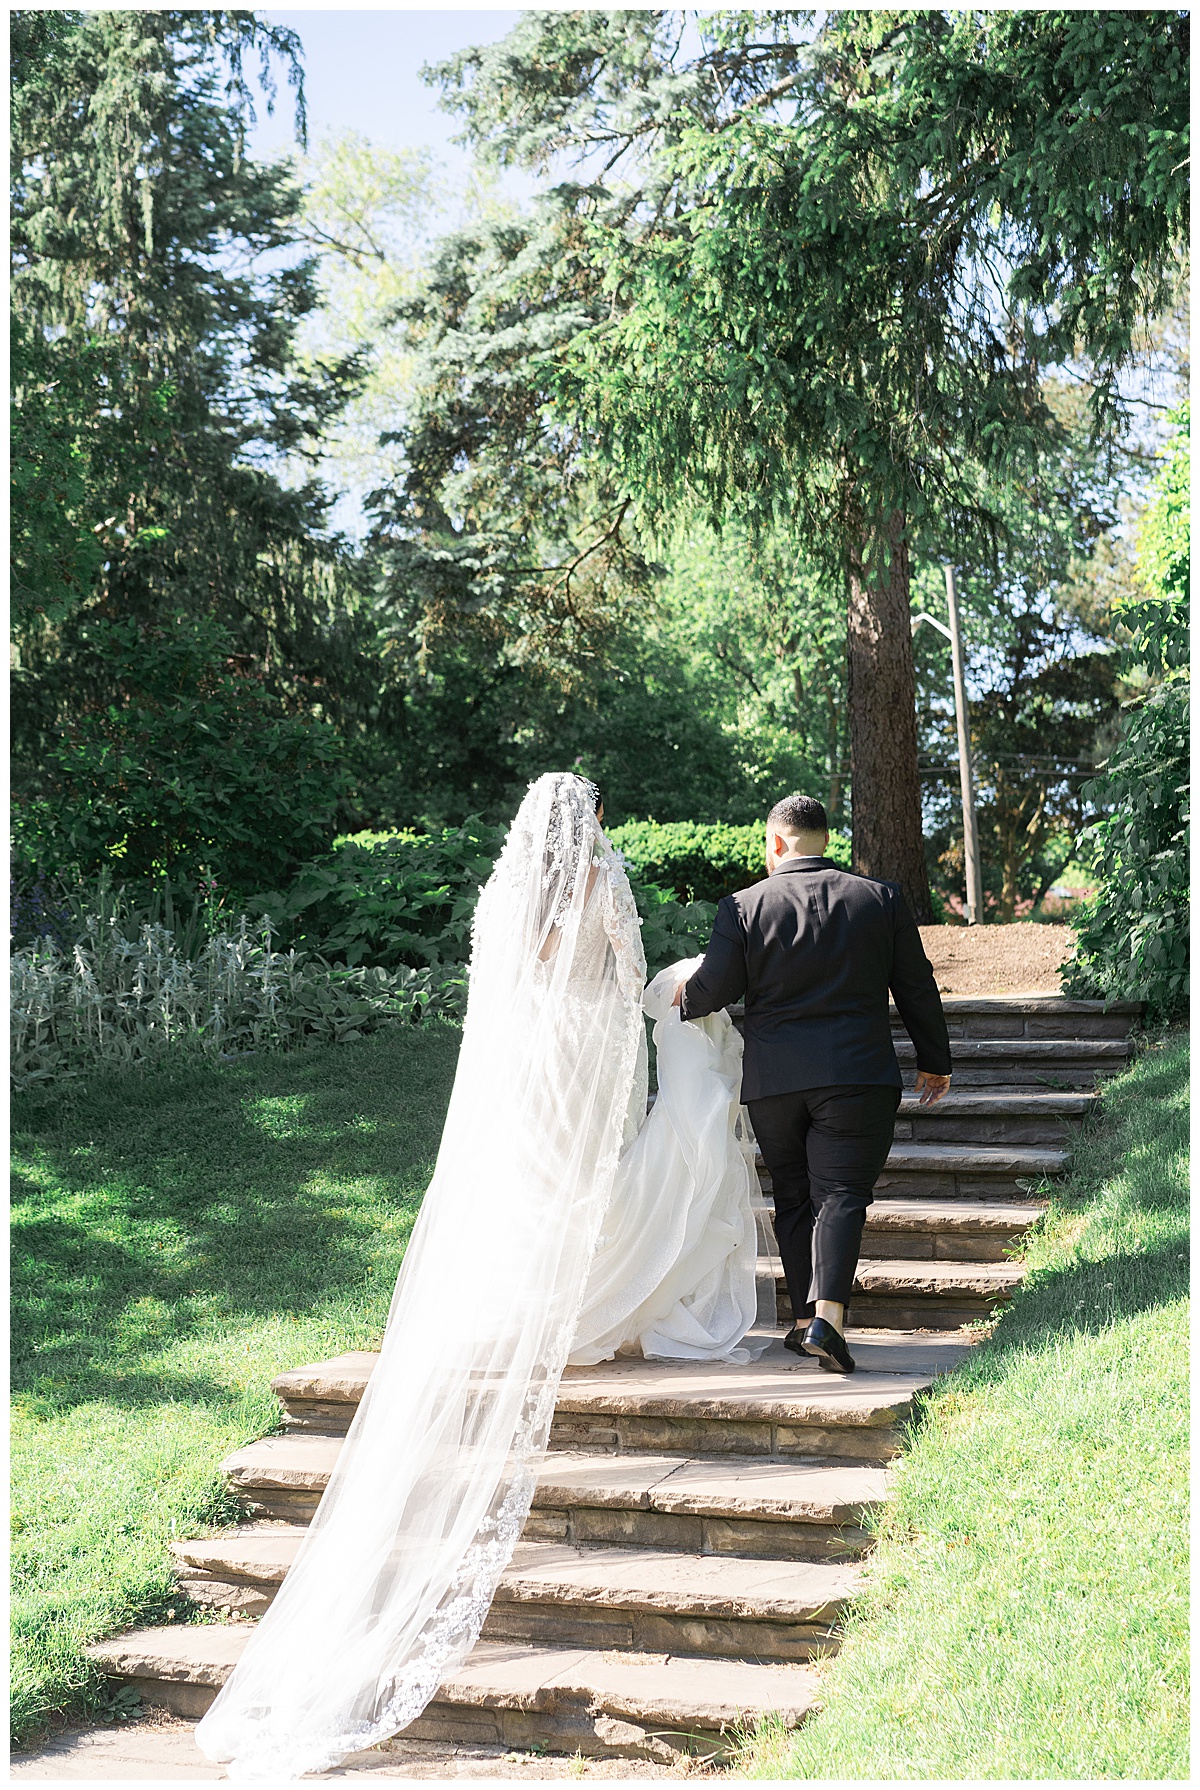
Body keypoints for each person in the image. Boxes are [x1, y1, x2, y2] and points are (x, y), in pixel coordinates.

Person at [194, 771, 768, 1781]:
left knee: (532, 1188)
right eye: (597, 812)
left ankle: (522, 1300)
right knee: (584, 1185)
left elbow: (505, 977)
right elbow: (626, 970)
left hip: (523, 1052)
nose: (603, 825)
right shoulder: (599, 874)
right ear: (585, 819)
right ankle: (580, 1300)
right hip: (587, 1044)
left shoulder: (507, 893)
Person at [675, 792, 952, 1375]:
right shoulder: (879, 899)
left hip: (775, 1081)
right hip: (858, 1074)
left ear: (776, 842)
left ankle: (804, 1321)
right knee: (842, 1193)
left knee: (795, 1196)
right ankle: (828, 1317)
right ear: (826, 840)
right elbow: (916, 985)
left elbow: (716, 986)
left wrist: (683, 996)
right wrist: (935, 1059)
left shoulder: (743, 905)